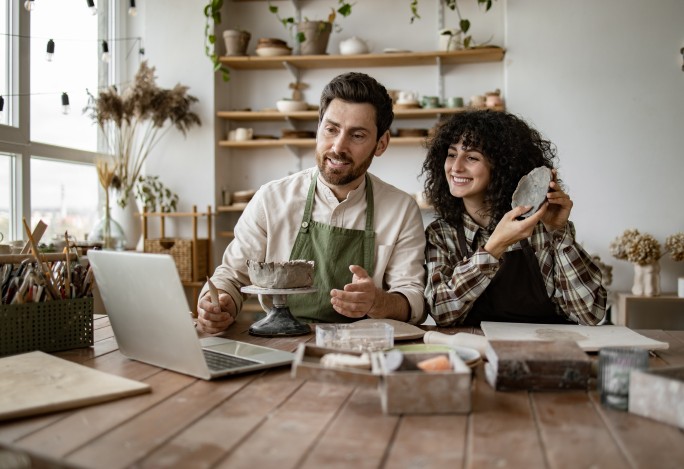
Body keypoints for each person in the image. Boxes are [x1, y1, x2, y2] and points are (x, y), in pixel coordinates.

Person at [197, 72, 426, 333]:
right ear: (318, 128)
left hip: (365, 347)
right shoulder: (272, 198)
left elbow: (413, 297)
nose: (338, 146)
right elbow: (232, 275)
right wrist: (217, 305)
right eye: (331, 129)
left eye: (357, 135)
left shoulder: (401, 209)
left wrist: (378, 302)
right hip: (281, 342)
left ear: (381, 144)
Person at [421, 110, 606, 326]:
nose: (456, 166)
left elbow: (590, 314)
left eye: (471, 157)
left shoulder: (539, 228)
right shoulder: (441, 233)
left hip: (548, 348)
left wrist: (559, 232)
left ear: (501, 165)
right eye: (452, 154)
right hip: (477, 352)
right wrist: (494, 248)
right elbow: (442, 313)